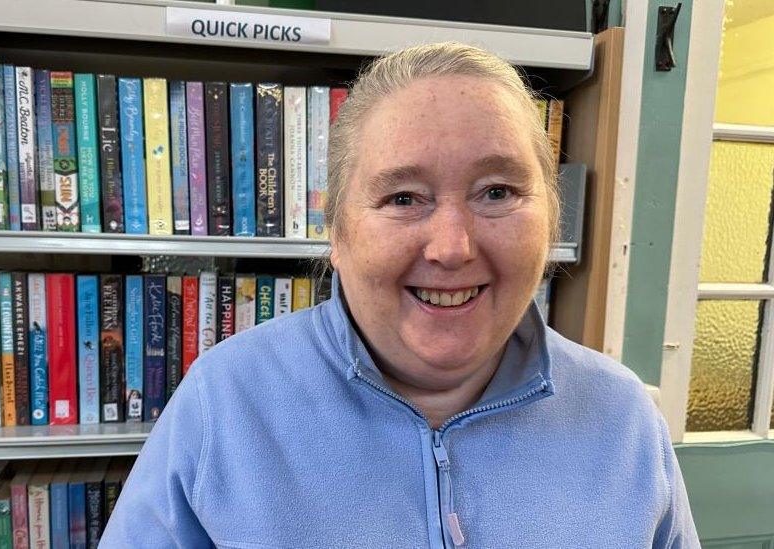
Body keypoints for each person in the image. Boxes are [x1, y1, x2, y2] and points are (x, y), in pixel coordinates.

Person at [100, 42, 699, 548]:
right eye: (403, 198)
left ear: (552, 221)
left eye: (497, 192)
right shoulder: (224, 404)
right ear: (336, 232)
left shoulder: (622, 420)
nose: (453, 247)